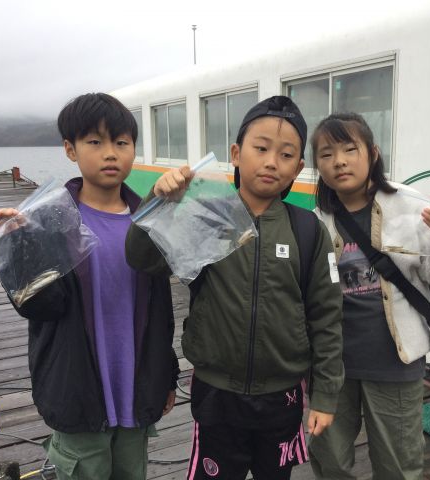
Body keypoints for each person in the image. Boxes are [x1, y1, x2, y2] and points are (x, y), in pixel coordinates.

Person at [125, 96, 344, 480]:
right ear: (236, 154)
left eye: (286, 154)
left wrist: (324, 396)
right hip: (216, 394)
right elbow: (142, 258)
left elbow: (326, 316)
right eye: (261, 148)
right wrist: (160, 201)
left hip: (282, 397)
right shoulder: (208, 218)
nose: (272, 162)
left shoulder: (308, 230)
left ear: (299, 168)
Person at [0, 93, 179, 480]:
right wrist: (18, 246)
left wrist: (167, 374)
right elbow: (41, 306)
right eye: (95, 141)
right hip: (77, 389)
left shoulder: (148, 219)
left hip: (136, 387)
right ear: (70, 149)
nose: (110, 153)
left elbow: (162, 311)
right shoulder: (49, 220)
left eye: (121, 142)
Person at [307, 112, 430, 480]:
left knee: (398, 465)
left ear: (373, 153)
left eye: (350, 149)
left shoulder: (411, 208)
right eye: (327, 154)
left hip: (395, 364)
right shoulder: (315, 221)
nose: (339, 161)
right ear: (317, 165)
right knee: (329, 459)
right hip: (332, 368)